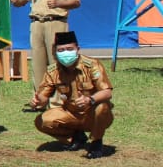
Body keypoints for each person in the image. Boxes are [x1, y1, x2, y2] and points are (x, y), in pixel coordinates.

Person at [31, 31, 113, 159]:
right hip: (71, 113)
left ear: (77, 49)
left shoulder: (91, 65)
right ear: (56, 52)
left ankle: (96, 142)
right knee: (42, 121)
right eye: (61, 50)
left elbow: (107, 92)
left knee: (102, 107)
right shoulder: (53, 71)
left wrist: (90, 99)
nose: (65, 53)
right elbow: (43, 97)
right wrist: (37, 101)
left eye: (69, 49)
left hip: (93, 114)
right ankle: (76, 138)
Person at [11, 0, 81, 93]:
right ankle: (40, 97)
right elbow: (22, 0)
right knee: (38, 63)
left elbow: (75, 1)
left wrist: (59, 3)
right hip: (37, 24)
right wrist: (16, 0)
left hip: (56, 23)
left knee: (56, 61)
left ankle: (60, 97)